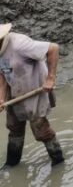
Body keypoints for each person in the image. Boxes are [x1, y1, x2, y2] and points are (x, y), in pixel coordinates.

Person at [0, 23, 63, 166]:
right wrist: (1, 97)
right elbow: (2, 73)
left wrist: (50, 78)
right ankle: (12, 162)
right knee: (13, 127)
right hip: (14, 90)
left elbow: (53, 48)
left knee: (41, 130)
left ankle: (58, 160)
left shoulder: (19, 44)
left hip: (35, 88)